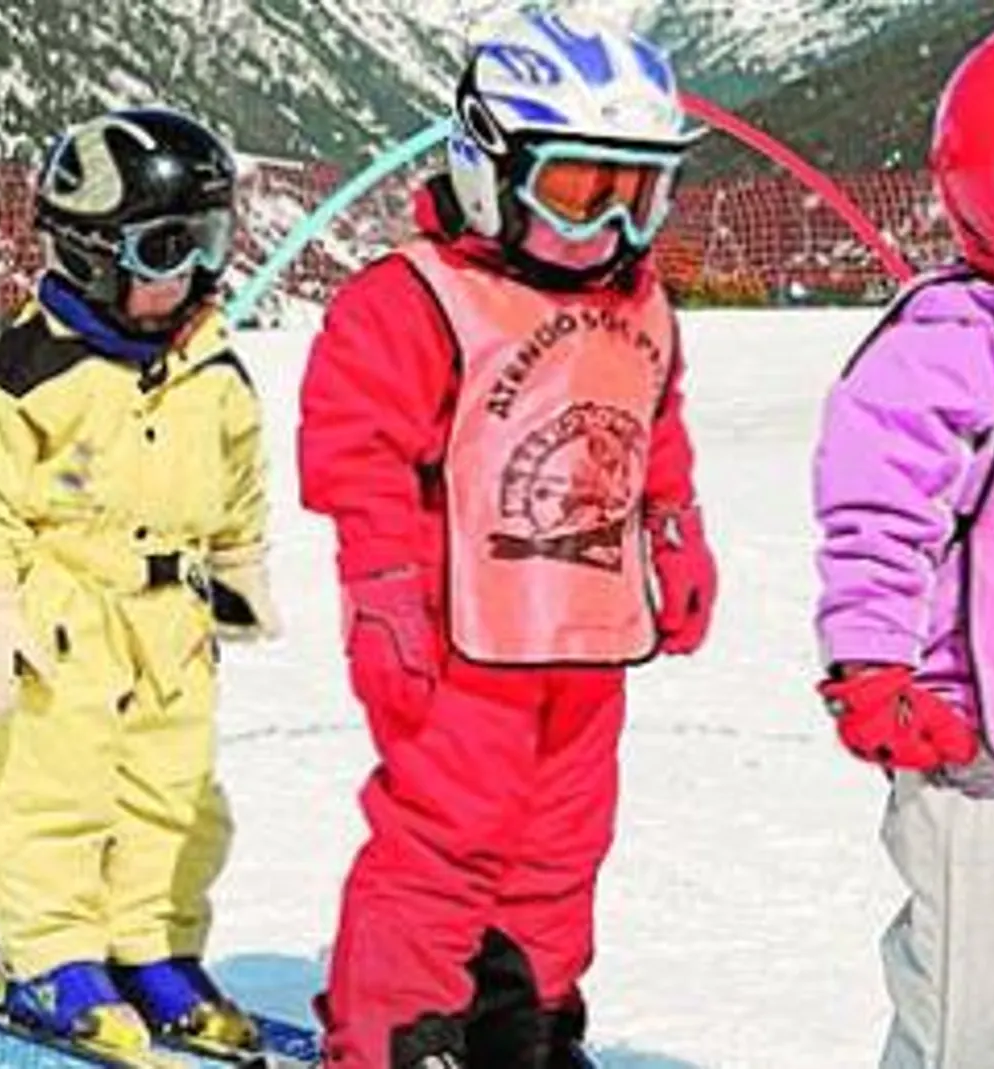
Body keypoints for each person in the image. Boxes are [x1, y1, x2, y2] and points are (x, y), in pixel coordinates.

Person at [298, 12, 715, 1068]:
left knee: (560, 844)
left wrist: (673, 532)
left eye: (637, 196)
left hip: (585, 635)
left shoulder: (640, 301)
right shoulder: (415, 300)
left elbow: (652, 424)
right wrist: (384, 586)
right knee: (443, 841)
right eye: (579, 192)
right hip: (459, 641)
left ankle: (520, 1016)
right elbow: (356, 452)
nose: (610, 229)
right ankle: (401, 1026)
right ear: (490, 165)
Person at [0, 107, 276, 1057]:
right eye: (167, 247)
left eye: (206, 243)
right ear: (90, 250)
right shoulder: (33, 368)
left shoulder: (211, 369)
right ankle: (45, 951)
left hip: (174, 618)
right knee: (53, 783)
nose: (192, 273)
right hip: (66, 612)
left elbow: (239, 484)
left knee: (174, 793)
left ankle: (153, 943)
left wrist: (240, 576)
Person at [812, 12, 994, 1067]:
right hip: (977, 758)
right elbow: (875, 517)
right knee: (973, 1014)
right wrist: (870, 662)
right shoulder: (953, 344)